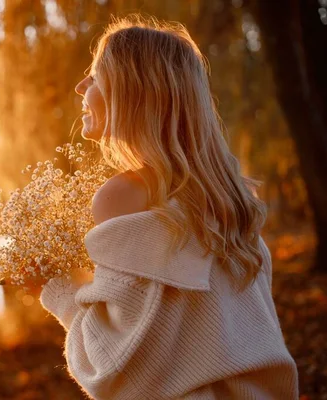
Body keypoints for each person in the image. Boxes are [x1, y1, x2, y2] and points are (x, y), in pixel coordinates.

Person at [37, 15, 299, 399]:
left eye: (93, 76)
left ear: (130, 91)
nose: (80, 87)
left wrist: (55, 290)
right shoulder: (232, 197)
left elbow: (112, 366)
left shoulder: (121, 196)